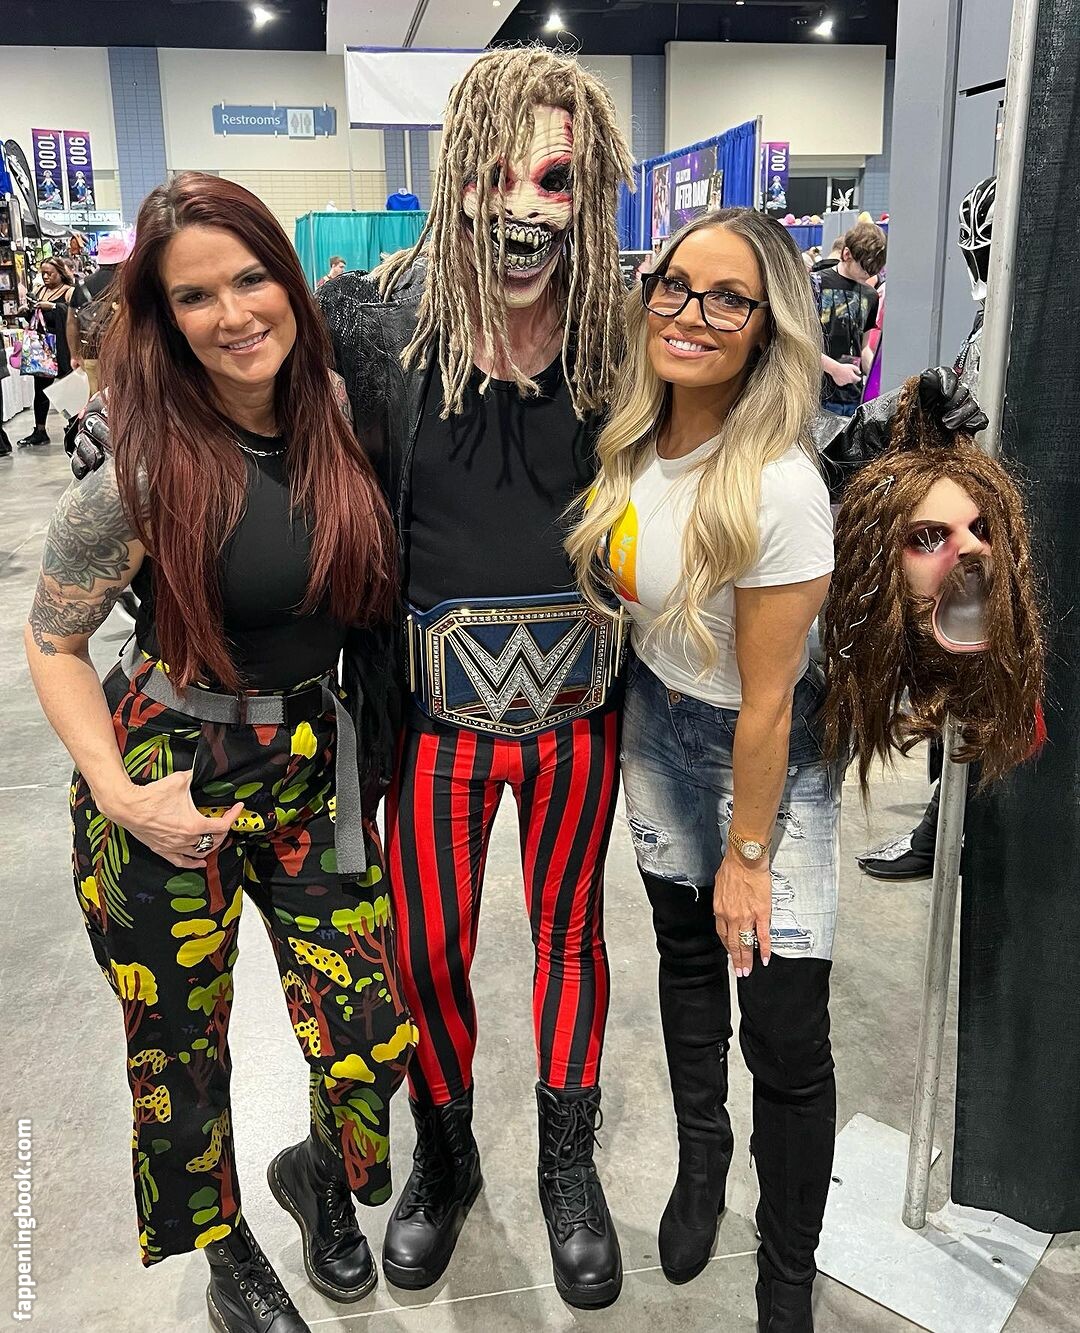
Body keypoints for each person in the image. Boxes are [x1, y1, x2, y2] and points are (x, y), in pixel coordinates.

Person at [25, 172, 414, 1333]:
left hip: (313, 761)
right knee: (180, 1053)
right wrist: (116, 793)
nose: (234, 313)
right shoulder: (141, 468)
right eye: (196, 296)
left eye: (251, 278)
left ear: (289, 281)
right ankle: (226, 1247)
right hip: (168, 770)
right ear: (164, 316)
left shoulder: (338, 409)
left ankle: (319, 1175)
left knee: (367, 1032)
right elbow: (53, 640)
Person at [318, 48, 634, 1309]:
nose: (525, 207)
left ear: (587, 189)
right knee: (428, 945)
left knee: (570, 933)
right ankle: (446, 1161)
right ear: (455, 177)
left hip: (580, 716)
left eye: (554, 180)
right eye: (498, 175)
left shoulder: (622, 330)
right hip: (433, 721)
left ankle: (567, 1169)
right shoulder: (372, 322)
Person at [568, 209, 843, 1332]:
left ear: (769, 325)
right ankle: (702, 1161)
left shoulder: (779, 485)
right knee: (686, 959)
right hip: (656, 725)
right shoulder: (634, 438)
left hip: (762, 759)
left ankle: (786, 1276)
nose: (690, 312)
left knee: (784, 1025)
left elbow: (770, 699)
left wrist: (749, 853)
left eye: (729, 297)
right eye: (675, 284)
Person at [859, 178, 994, 880]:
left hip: (998, 537)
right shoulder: (987, 327)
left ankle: (951, 832)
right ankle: (942, 829)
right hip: (969, 534)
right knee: (955, 683)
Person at [812, 221, 886, 418]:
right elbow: (799, 342)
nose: (868, 275)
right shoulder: (815, 284)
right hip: (816, 394)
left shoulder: (871, 295)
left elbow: (865, 347)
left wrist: (875, 378)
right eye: (864, 268)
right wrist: (834, 369)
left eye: (873, 271)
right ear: (847, 254)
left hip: (853, 395)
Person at [17, 254, 74, 446]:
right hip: (43, 348)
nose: (46, 277)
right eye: (43, 274)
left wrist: (54, 307)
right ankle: (40, 430)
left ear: (60, 273)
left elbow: (74, 314)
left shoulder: (69, 292)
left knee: (68, 387)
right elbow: (37, 319)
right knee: (40, 391)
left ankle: (74, 425)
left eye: (50, 273)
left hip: (62, 347)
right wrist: (28, 311)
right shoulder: (40, 290)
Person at [67, 231, 131, 396]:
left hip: (91, 352)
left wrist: (74, 354)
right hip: (126, 353)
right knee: (125, 398)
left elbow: (71, 322)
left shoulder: (82, 285)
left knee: (97, 399)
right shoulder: (131, 284)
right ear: (124, 260)